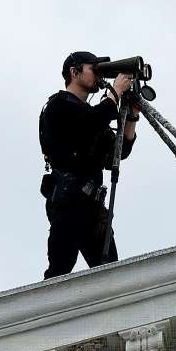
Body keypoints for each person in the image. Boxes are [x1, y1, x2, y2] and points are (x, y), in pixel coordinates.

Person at [39, 51, 141, 279]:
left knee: (110, 274)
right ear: (74, 73)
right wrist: (114, 93)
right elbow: (88, 123)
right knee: (60, 270)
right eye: (92, 69)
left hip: (93, 206)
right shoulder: (58, 106)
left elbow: (119, 152)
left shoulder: (93, 115)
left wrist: (132, 116)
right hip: (68, 201)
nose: (97, 74)